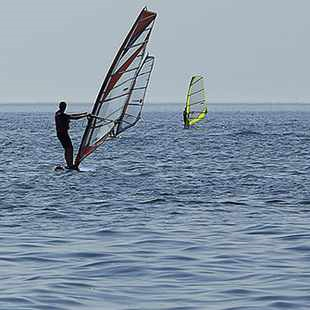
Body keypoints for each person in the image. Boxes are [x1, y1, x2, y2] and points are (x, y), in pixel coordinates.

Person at [55, 101, 88, 170]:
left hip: (62, 134)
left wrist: (83, 114)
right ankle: (70, 164)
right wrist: (85, 116)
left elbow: (71, 115)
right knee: (69, 148)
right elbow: (73, 117)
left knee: (68, 149)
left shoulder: (59, 113)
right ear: (61, 107)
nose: (64, 108)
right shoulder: (60, 115)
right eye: (63, 106)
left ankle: (69, 164)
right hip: (62, 134)